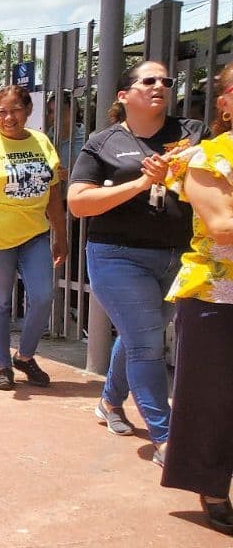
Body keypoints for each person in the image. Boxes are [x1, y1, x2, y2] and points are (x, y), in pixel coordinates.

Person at [67, 61, 209, 463]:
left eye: (166, 80)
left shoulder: (193, 133)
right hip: (117, 255)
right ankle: (167, 440)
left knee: (139, 336)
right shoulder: (103, 143)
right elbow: (78, 202)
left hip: (180, 255)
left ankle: (110, 403)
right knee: (147, 343)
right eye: (148, 81)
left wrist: (179, 169)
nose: (159, 86)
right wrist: (142, 183)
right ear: (124, 95)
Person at [160, 62, 233, 535]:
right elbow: (222, 228)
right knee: (213, 402)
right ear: (225, 102)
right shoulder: (207, 159)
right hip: (216, 295)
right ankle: (211, 486)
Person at [0, 85, 67, 391]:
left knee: (44, 296)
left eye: (16, 110)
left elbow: (54, 192)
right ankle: (3, 366)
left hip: (34, 235)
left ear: (28, 111)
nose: (9, 117)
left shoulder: (42, 142)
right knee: (0, 304)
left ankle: (25, 355)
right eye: (2, 111)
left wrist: (61, 235)